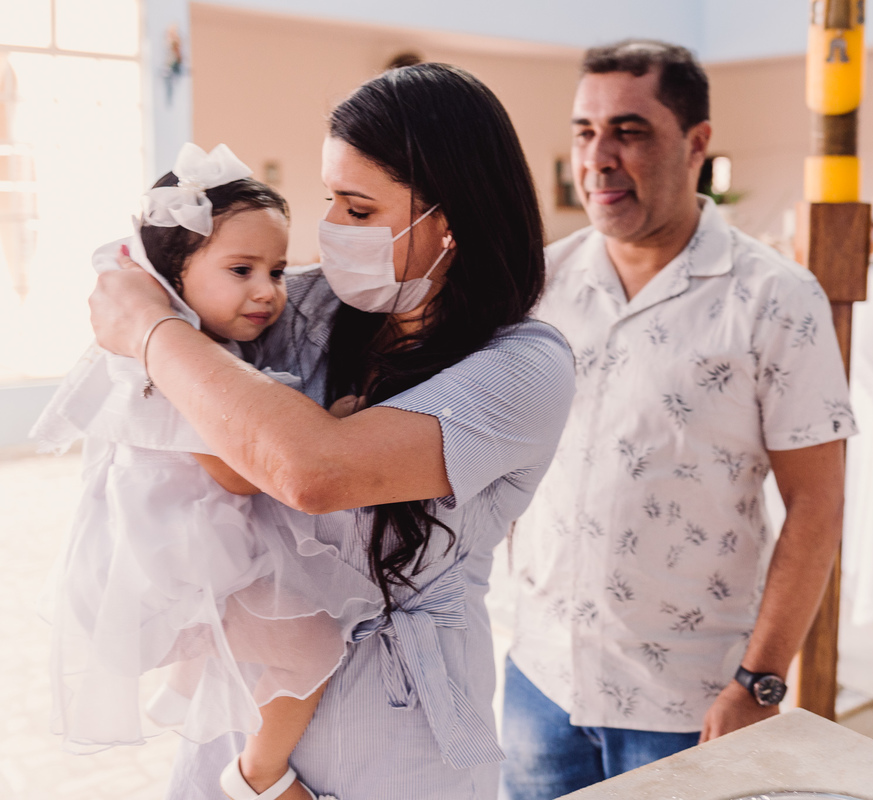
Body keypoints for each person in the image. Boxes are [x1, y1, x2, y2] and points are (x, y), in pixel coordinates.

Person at [87, 63, 575, 800]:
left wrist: (149, 328)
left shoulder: (524, 368)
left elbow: (313, 470)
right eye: (330, 200)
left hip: (396, 735)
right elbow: (176, 365)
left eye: (356, 207)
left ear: (446, 221)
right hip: (242, 711)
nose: (330, 231)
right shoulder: (308, 308)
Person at [501, 40, 854, 799]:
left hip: (687, 698)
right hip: (540, 677)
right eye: (584, 132)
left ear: (697, 144)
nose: (598, 157)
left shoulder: (773, 298)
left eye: (629, 131)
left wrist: (759, 682)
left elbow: (818, 504)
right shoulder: (541, 283)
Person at [34, 142, 383, 800]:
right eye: (242, 269)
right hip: (170, 564)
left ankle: (193, 681)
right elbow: (242, 475)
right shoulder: (173, 373)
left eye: (276, 271)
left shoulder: (200, 354)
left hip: (196, 549)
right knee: (313, 642)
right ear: (176, 278)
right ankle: (263, 772)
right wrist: (329, 430)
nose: (267, 291)